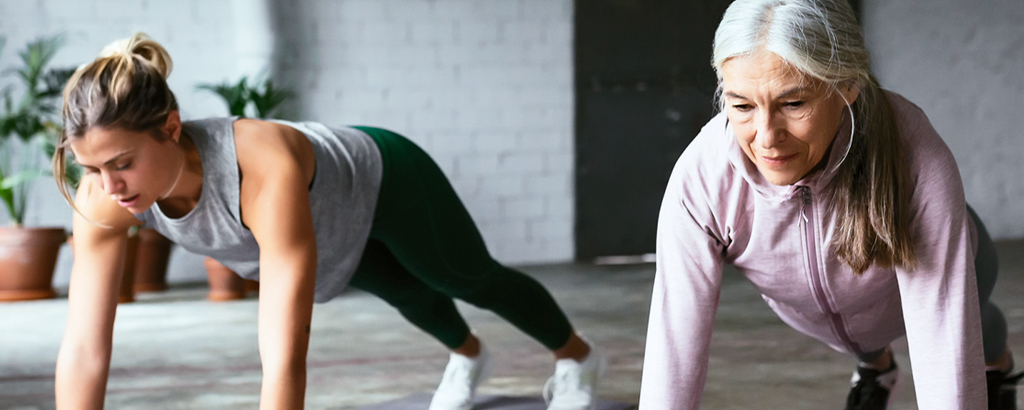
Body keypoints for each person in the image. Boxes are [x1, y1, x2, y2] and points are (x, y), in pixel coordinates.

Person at [52, 33, 603, 410]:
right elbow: (84, 345)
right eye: (92, 168)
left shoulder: (259, 164)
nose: (109, 185)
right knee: (406, 293)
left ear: (171, 127)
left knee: (461, 276)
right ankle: (469, 356)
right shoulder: (103, 195)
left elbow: (283, 345)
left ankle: (576, 357)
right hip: (331, 224)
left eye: (123, 163)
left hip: (384, 178)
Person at [639, 0, 1020, 409]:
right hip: (832, 314)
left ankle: (998, 367)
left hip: (948, 268)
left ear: (847, 86)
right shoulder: (702, 178)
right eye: (743, 106)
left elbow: (944, 349)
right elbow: (673, 345)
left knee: (978, 325)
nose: (766, 137)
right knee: (858, 334)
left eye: (793, 103)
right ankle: (877, 369)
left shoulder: (918, 158)